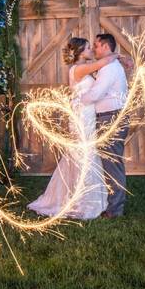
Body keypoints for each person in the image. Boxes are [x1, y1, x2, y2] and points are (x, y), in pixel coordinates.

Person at [26, 37, 128, 219]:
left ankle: (96, 200)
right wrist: (117, 56)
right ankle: (83, 201)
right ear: (80, 51)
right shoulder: (79, 69)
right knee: (84, 156)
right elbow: (104, 61)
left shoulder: (87, 68)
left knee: (89, 155)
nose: (92, 50)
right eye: (89, 47)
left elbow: (103, 66)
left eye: (94, 47)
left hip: (89, 115)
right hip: (83, 116)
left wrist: (117, 57)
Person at [79, 33, 130, 218]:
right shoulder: (110, 66)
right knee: (112, 163)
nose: (94, 49)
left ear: (105, 47)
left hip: (111, 120)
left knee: (112, 164)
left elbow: (95, 94)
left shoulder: (109, 69)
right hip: (111, 118)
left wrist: (78, 99)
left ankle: (115, 210)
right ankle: (114, 205)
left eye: (96, 45)